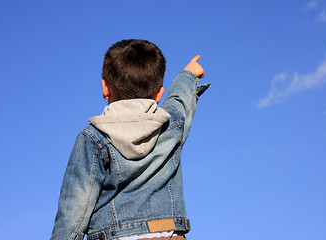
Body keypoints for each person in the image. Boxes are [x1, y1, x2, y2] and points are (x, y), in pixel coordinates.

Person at [51, 39, 210, 240]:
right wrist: (187, 75)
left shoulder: (93, 138)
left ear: (105, 88)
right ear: (159, 93)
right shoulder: (171, 126)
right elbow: (180, 101)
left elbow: (73, 211)